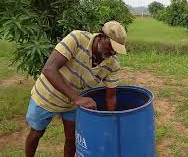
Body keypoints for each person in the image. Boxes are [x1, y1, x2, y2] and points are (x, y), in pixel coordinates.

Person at [25, 21, 127, 157]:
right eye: (111, 46)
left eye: (116, 49)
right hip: (47, 96)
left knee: (72, 138)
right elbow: (49, 69)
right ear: (101, 36)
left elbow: (111, 96)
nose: (112, 52)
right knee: (37, 132)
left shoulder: (112, 65)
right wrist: (77, 98)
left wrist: (110, 121)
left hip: (73, 103)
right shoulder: (77, 39)